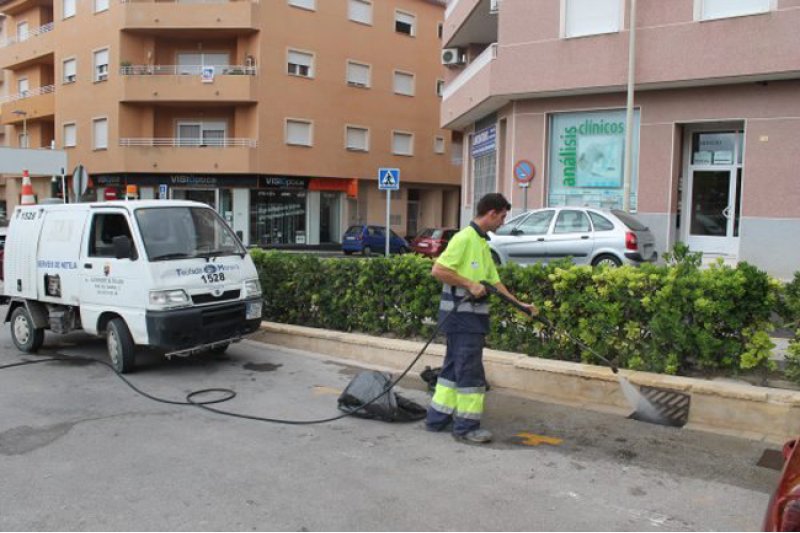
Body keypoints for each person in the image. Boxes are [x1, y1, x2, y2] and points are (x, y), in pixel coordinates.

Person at [425, 193, 538, 444]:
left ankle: (437, 418)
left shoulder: (481, 242)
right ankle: (466, 427)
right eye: (502, 216)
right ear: (491, 213)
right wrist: (469, 284)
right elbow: (439, 269)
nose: (503, 222)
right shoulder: (464, 238)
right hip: (462, 319)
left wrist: (520, 305)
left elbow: (494, 282)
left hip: (468, 320)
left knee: (453, 369)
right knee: (470, 372)